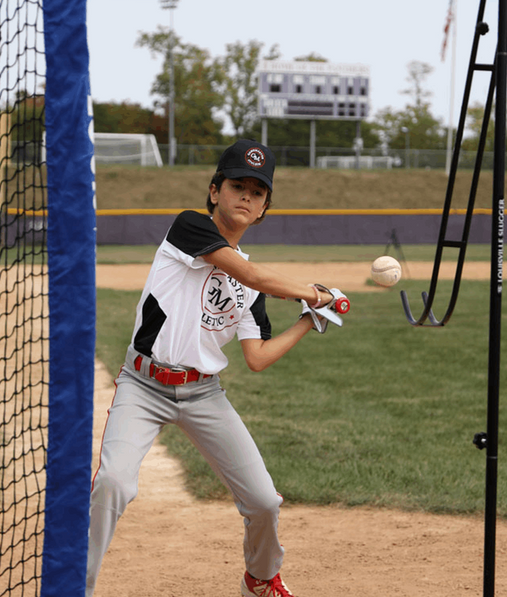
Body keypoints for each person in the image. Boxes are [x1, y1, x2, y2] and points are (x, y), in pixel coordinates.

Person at [86, 139, 346, 597]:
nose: (246, 196)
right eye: (236, 185)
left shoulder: (252, 287)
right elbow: (250, 275)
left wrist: (309, 321)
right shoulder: (188, 228)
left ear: (264, 208)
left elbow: (257, 357)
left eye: (257, 192)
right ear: (214, 191)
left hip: (203, 394)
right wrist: (317, 293)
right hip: (143, 385)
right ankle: (75, 586)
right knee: (113, 483)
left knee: (264, 501)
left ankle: (260, 579)